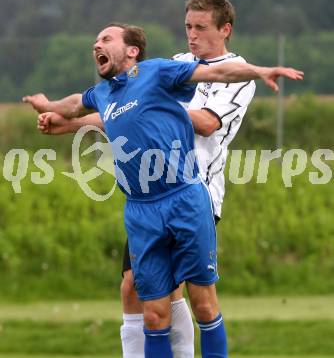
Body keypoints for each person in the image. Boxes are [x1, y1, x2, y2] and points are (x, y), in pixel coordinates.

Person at [23, 22, 303, 358]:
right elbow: (74, 105)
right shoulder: (104, 94)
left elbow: (218, 74)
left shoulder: (155, 72)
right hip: (141, 210)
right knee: (154, 315)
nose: (97, 44)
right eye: (95, 40)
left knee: (203, 303)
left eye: (106, 38)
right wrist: (48, 105)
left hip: (184, 198)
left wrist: (260, 70)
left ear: (132, 50)